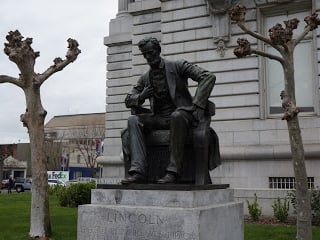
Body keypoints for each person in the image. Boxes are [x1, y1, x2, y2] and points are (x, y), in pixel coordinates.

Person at [121, 37, 217, 184]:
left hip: (182, 116)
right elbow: (128, 100)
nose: (148, 57)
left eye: (151, 53)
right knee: (133, 120)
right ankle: (138, 171)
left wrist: (197, 106)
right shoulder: (146, 77)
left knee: (176, 116)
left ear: (158, 51)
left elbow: (207, 77)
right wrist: (141, 96)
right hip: (159, 118)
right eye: (145, 54)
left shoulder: (177, 66)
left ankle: (173, 171)